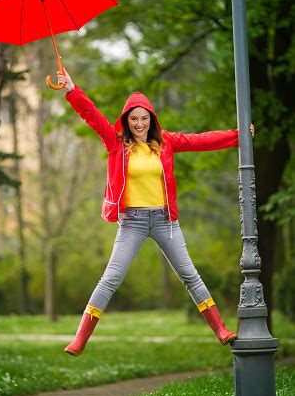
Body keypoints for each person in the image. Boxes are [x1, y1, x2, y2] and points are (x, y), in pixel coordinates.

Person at [57, 68, 254, 357]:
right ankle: (80, 338)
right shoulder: (116, 144)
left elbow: (201, 140)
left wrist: (239, 137)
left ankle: (221, 329)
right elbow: (92, 116)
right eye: (134, 118)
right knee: (110, 278)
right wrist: (72, 89)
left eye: (144, 118)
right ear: (127, 120)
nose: (139, 123)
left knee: (189, 274)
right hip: (132, 222)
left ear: (151, 119)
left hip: (165, 221)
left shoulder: (166, 143)